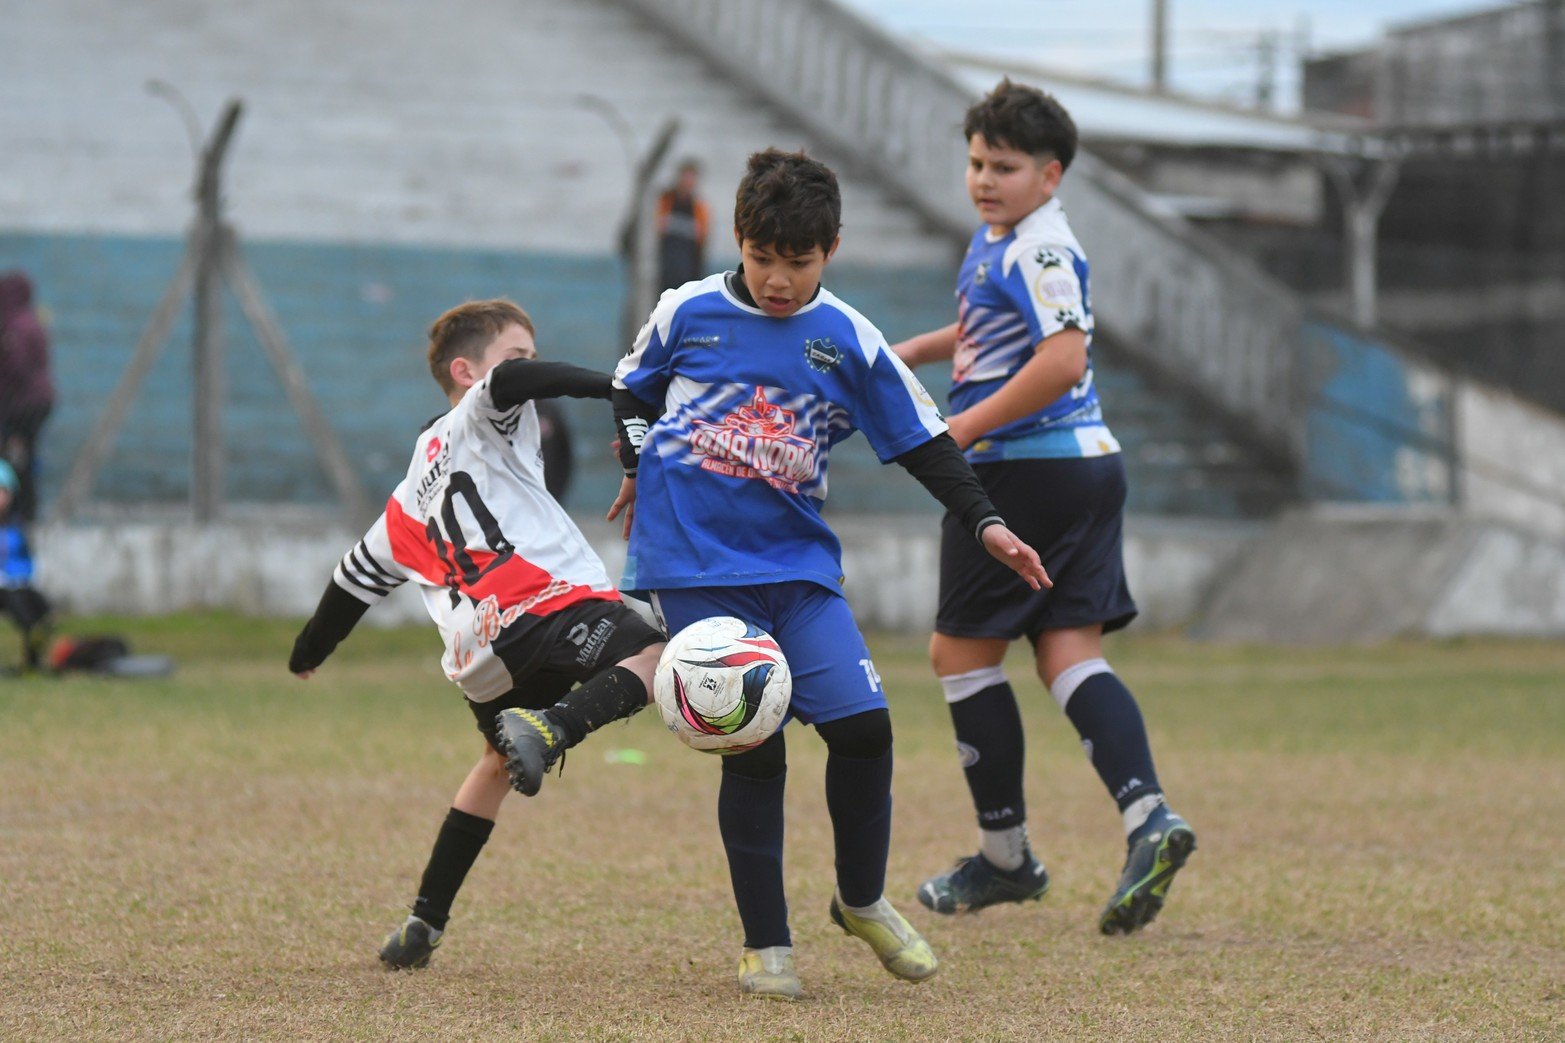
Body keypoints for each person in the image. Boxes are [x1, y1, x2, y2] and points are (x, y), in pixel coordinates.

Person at [602, 148, 1050, 1001]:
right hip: (694, 567)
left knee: (863, 728)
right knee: (754, 738)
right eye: (762, 257)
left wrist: (985, 522)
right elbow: (631, 391)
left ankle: (861, 897)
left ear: (830, 249)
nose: (776, 279)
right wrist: (631, 457)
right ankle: (766, 945)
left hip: (798, 568)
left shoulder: (844, 335)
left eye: (796, 262)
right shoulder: (686, 310)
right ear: (738, 239)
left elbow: (922, 437)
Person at [890, 80, 1196, 935]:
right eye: (977, 162)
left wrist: (956, 430)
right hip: (1086, 469)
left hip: (1025, 473)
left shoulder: (1041, 248)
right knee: (1067, 651)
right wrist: (917, 347)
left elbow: (1062, 360)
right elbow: (1000, 327)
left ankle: (1004, 859)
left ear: (1052, 174)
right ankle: (1148, 820)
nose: (985, 178)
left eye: (1007, 166)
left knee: (959, 655)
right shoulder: (1009, 238)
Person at [288, 299, 665, 970]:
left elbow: (349, 585)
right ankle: (556, 728)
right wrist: (614, 385)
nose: (529, 367)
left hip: (479, 658)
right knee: (653, 652)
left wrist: (307, 652)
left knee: (494, 763)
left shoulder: (404, 500)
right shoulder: (483, 412)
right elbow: (512, 384)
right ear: (465, 372)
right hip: (544, 604)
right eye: (519, 353)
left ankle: (420, 927)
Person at [0, 270, 56, 525]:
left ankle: (20, 512)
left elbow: (17, 367)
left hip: (23, 406)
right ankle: (25, 511)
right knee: (25, 456)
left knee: (16, 457)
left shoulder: (15, 326)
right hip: (38, 402)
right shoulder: (31, 321)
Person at [0, 460, 53, 673]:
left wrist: (20, 578)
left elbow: (24, 561)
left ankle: (33, 662)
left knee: (41, 611)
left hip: (13, 585)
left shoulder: (15, 526)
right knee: (19, 604)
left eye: (4, 492)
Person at [654, 159, 710, 293]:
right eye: (686, 178)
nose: (688, 182)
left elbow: (702, 239)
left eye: (691, 178)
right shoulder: (666, 201)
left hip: (690, 270)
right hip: (667, 269)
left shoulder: (699, 208)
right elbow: (658, 229)